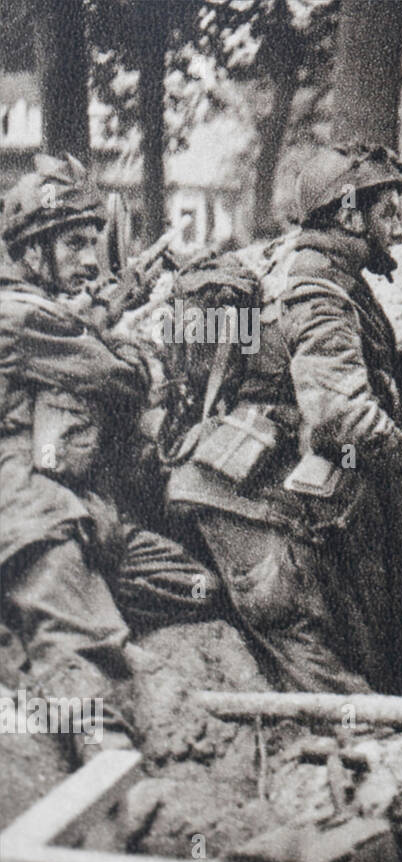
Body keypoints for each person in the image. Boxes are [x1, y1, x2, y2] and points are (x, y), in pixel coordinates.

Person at [166, 143, 402, 704]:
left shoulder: (321, 273)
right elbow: (339, 415)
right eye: (388, 211)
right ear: (349, 215)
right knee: (329, 687)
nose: (398, 227)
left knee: (365, 665)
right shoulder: (316, 288)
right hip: (243, 511)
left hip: (264, 501)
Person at [0, 154, 216, 764]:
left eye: (94, 243)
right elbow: (122, 379)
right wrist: (123, 335)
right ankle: (108, 787)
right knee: (91, 664)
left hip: (85, 515)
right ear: (30, 250)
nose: (91, 261)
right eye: (74, 243)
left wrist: (100, 314)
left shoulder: (44, 313)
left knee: (199, 589)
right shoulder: (19, 315)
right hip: (28, 519)